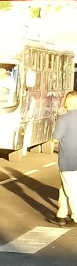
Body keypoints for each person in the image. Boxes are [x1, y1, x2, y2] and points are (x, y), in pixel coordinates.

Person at [49, 91, 77, 226]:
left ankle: (76, 217)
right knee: (64, 187)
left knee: (71, 189)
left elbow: (55, 139)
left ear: (69, 101)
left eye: (66, 100)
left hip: (68, 160)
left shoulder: (65, 118)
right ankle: (61, 214)